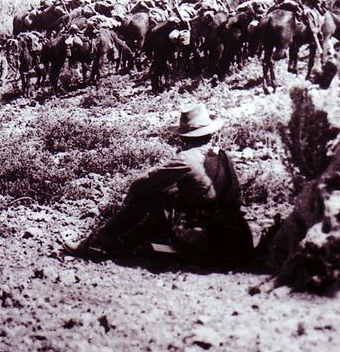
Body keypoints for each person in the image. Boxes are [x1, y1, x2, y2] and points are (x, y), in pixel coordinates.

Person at [63, 104, 253, 267]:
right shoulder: (223, 156)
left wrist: (130, 200)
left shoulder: (186, 159)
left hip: (207, 239)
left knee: (150, 196)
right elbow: (235, 197)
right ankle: (125, 244)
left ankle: (97, 242)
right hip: (236, 238)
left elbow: (142, 183)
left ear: (184, 138)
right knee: (167, 198)